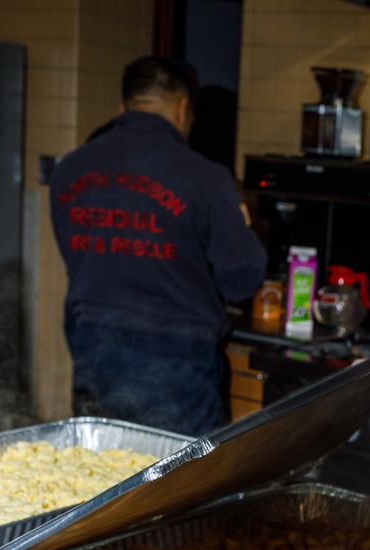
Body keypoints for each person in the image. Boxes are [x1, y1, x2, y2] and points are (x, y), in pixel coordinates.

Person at [50, 57, 266, 436]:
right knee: (183, 482)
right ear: (183, 108)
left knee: (100, 474)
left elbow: (74, 254)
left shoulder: (69, 169)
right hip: (177, 362)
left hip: (93, 346)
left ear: (123, 106)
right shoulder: (205, 177)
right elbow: (242, 279)